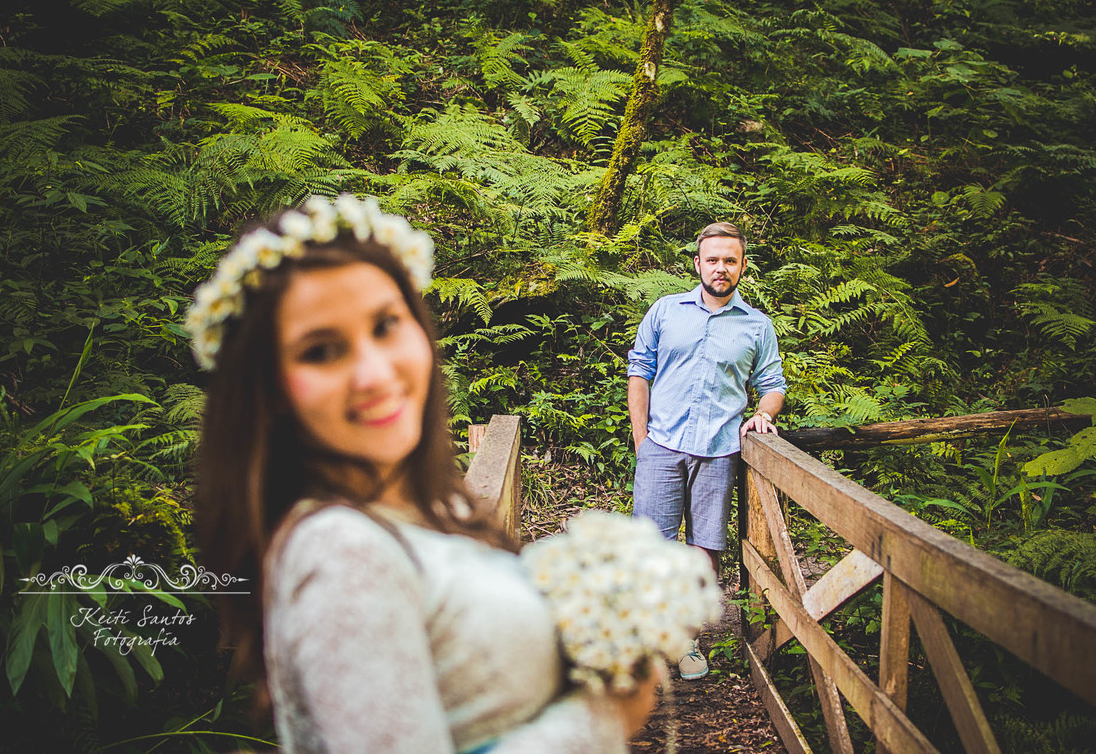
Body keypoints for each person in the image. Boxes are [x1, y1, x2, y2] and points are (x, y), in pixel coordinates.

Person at [191, 195, 658, 753]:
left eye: (386, 325)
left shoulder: (432, 508)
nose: (374, 373)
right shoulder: (339, 550)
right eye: (321, 351)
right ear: (266, 388)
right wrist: (604, 719)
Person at [626, 221, 787, 680]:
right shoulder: (665, 311)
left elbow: (772, 384)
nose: (721, 268)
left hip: (718, 451)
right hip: (661, 445)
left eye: (729, 260)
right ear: (697, 264)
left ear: (742, 266)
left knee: (704, 550)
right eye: (712, 259)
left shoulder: (757, 326)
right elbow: (639, 372)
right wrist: (642, 440)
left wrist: (764, 413)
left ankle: (688, 642)